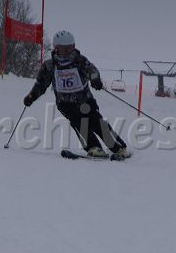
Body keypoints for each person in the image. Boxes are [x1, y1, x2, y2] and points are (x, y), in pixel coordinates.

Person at [23, 30, 130, 158]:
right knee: (78, 122)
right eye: (64, 49)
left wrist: (95, 80)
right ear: (56, 49)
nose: (68, 52)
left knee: (96, 121)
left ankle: (118, 148)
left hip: (85, 100)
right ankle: (94, 147)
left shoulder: (80, 61)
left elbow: (92, 71)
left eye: (70, 48)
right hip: (65, 104)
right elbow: (41, 84)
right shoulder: (50, 66)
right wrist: (31, 97)